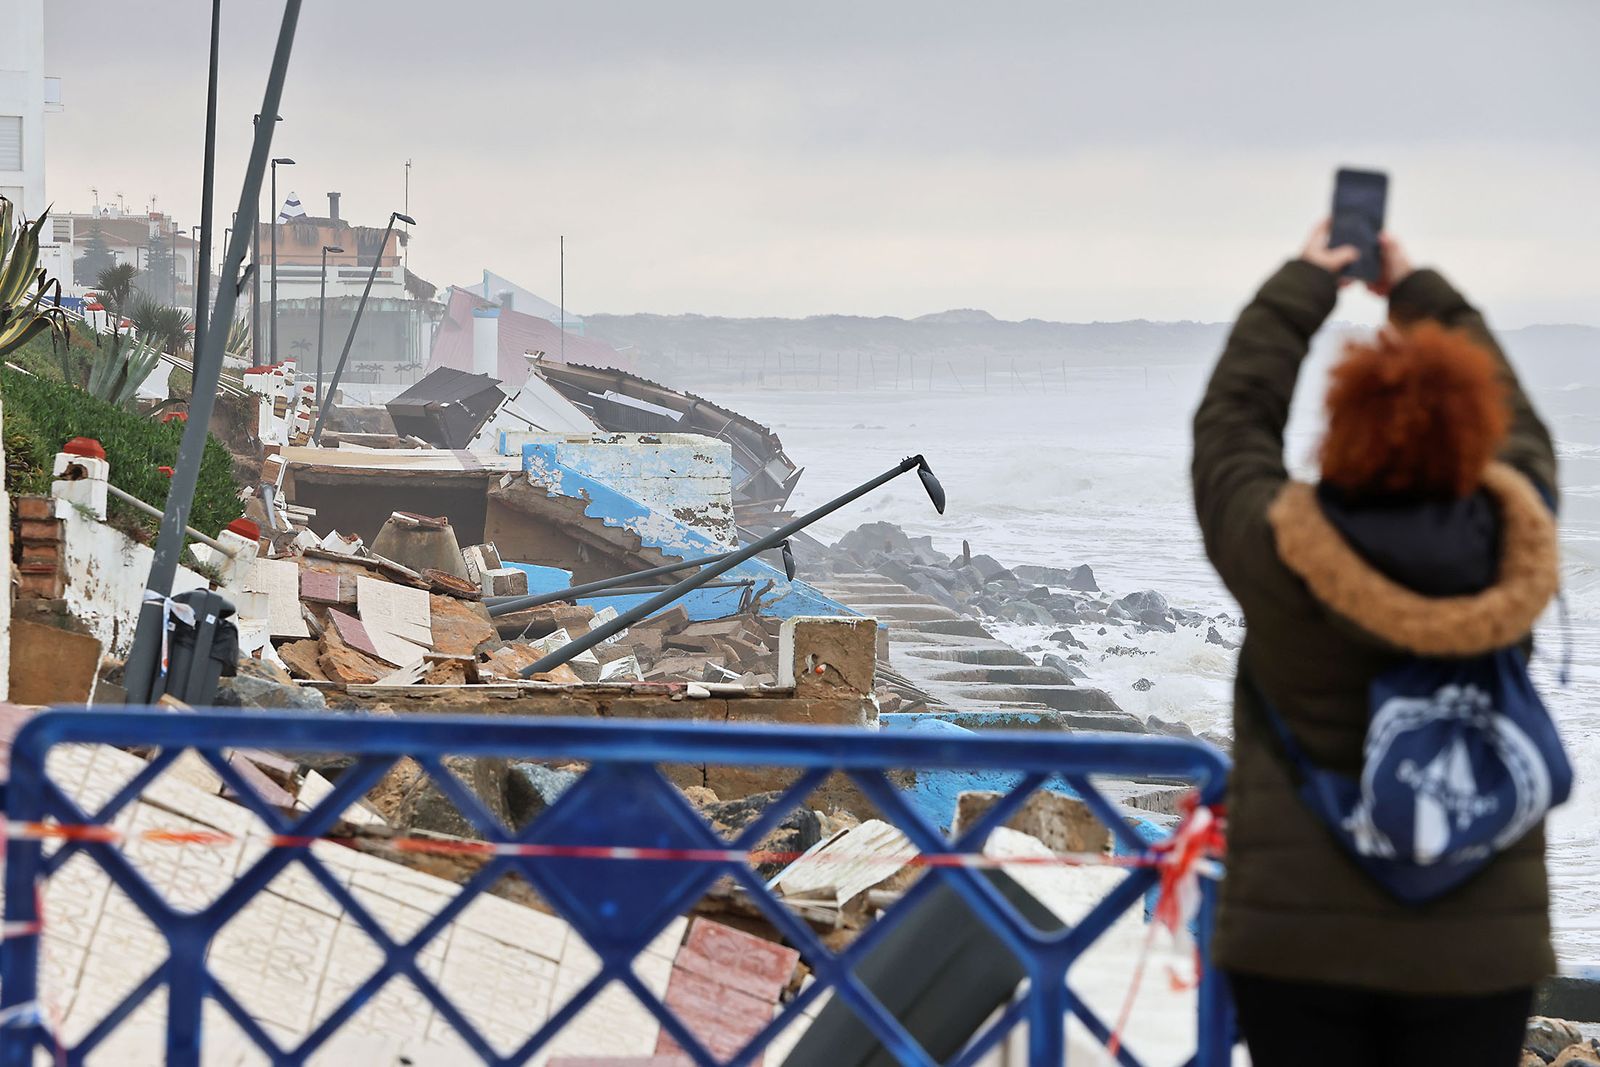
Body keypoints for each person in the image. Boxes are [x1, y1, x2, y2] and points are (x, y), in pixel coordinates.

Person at [1191, 223, 1560, 1066]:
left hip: (1299, 941)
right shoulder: (1517, 544)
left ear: (1338, 431)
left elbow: (1231, 426)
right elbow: (1524, 429)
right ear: (1475, 435)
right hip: (1476, 947)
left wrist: (1302, 285)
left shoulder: (1280, 550)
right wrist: (1419, 288)